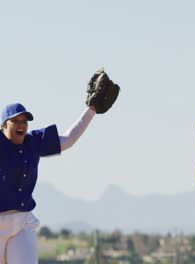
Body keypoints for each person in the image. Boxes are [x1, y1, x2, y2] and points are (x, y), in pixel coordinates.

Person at [0, 71, 117, 263]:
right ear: (4, 125)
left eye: (24, 121)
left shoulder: (33, 142)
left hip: (21, 223)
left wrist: (92, 109)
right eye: (15, 121)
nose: (21, 125)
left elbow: (69, 139)